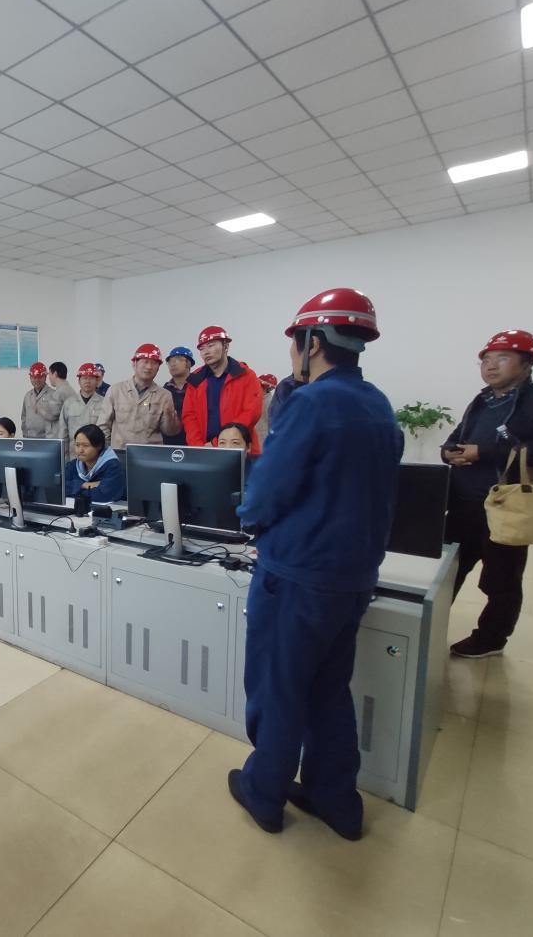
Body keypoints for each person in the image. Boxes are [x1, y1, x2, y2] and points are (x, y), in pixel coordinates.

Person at [229, 288, 402, 842]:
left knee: (279, 687)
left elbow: (267, 490)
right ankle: (335, 799)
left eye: (294, 344)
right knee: (329, 689)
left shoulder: (310, 403)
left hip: (298, 575)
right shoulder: (378, 403)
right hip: (354, 578)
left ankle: (264, 793)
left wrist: (248, 518)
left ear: (313, 343)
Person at [440, 329, 533, 659]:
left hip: (509, 506)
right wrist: (448, 452)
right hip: (464, 503)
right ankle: (432, 625)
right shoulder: (482, 400)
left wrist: (483, 452)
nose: (491, 366)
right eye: (486, 359)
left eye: (502, 358)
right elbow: (457, 437)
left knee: (501, 578)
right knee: (446, 572)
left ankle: (491, 638)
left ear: (527, 363)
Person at [181, 326, 264, 453]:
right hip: (204, 450)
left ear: (226, 346)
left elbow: (251, 413)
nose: (206, 352)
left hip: (239, 450)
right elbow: (189, 416)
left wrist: (218, 443)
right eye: (202, 348)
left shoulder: (246, 375)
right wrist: (198, 446)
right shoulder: (195, 379)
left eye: (211, 345)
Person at [108, 344, 182, 449]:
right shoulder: (116, 390)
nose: (149, 367)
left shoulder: (164, 395)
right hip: (120, 453)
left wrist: (170, 417)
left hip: (150, 454)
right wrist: (105, 454)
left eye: (154, 363)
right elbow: (103, 426)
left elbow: (170, 432)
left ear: (158, 368)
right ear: (134, 363)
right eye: (145, 362)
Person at [61, 363, 113, 458]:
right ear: (79, 381)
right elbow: (63, 433)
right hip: (74, 455)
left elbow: (107, 432)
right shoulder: (69, 403)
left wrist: (104, 456)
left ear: (97, 381)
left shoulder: (104, 403)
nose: (88, 381)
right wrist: (64, 455)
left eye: (91, 378)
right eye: (84, 378)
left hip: (97, 456)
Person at [65, 424, 125, 503]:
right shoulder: (73, 465)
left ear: (99, 446)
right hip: (78, 508)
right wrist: (83, 485)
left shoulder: (113, 466)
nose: (80, 450)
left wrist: (74, 489)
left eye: (86, 445)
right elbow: (59, 488)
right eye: (77, 445)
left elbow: (103, 496)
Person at [162, 346, 195, 446]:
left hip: (194, 441)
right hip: (169, 443)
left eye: (178, 359)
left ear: (188, 363)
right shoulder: (164, 391)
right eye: (170, 361)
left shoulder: (199, 386)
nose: (173, 364)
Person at [21, 361, 63, 438]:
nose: (37, 380)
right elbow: (24, 417)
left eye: (40, 377)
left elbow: (58, 417)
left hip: (47, 438)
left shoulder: (54, 395)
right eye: (34, 377)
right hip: (29, 437)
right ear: (30, 378)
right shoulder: (27, 396)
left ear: (45, 377)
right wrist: (25, 434)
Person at [255, 373, 277, 442]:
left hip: (263, 438)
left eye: (260, 386)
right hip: (255, 436)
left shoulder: (269, 402)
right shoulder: (258, 399)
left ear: (267, 389)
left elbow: (272, 424)